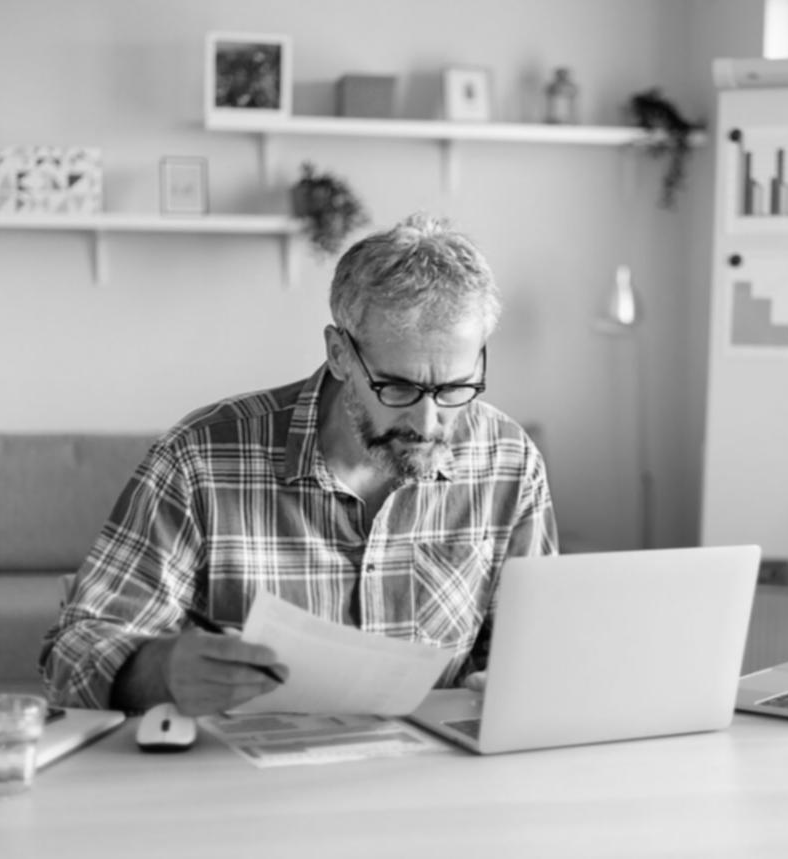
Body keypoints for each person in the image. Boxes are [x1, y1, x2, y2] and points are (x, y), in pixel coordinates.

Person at [40, 212, 559, 715]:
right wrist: (157, 670)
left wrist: (516, 681)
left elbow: (532, 648)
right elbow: (74, 651)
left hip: (437, 779)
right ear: (339, 353)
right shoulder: (200, 459)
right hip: (247, 781)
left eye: (454, 388)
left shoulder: (508, 462)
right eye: (397, 387)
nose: (427, 422)